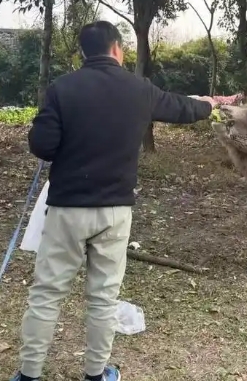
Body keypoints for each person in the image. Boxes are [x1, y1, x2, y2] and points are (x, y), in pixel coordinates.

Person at [10, 20, 215, 381]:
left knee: (46, 294)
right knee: (103, 297)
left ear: (84, 52)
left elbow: (42, 146)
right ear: (117, 49)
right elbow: (180, 108)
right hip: (115, 212)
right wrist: (209, 105)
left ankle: (28, 375)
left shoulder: (62, 88)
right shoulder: (140, 89)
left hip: (66, 210)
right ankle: (94, 374)